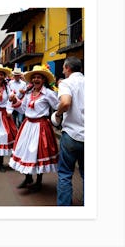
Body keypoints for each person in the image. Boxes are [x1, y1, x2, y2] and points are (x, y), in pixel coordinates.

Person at [9, 64, 59, 192]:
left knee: (38, 153)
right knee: (26, 152)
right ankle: (28, 178)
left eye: (39, 77)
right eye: (34, 77)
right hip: (27, 125)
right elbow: (23, 109)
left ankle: (38, 181)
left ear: (44, 80)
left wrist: (56, 118)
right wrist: (14, 101)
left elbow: (58, 106)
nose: (36, 79)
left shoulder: (48, 93)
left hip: (41, 127)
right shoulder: (29, 93)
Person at [51, 56, 84, 206]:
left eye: (63, 68)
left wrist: (57, 115)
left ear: (67, 68)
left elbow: (65, 102)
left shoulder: (66, 83)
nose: (63, 71)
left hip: (71, 134)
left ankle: (65, 210)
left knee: (65, 174)